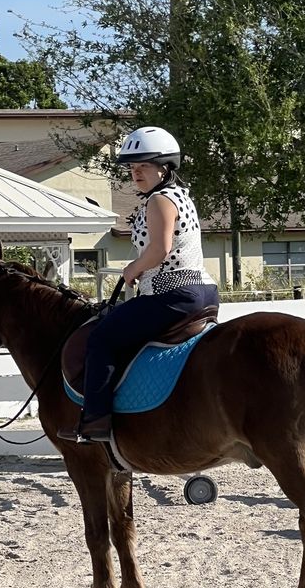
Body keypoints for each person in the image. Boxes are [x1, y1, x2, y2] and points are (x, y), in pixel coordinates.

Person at [58, 126, 219, 443]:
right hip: (201, 290)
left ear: (164, 166)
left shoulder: (159, 201)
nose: (136, 173)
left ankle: (96, 422)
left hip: (171, 295)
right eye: (132, 168)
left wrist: (131, 268)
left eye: (143, 166)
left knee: (102, 339)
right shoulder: (180, 196)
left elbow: (160, 249)